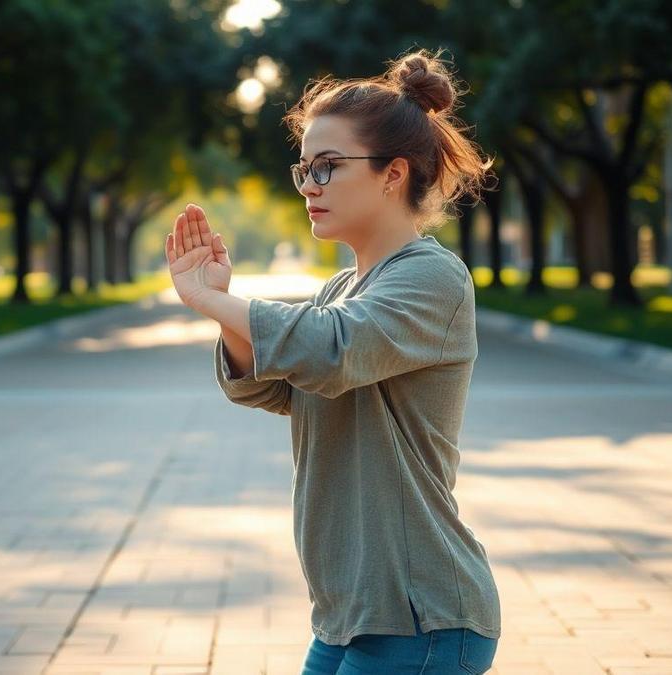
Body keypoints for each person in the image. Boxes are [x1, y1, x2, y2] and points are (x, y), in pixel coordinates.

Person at [165, 46, 500, 674]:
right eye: (304, 170)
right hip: (350, 612)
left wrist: (218, 299)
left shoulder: (433, 277)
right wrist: (221, 312)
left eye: (328, 167)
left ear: (393, 174)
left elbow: (333, 350)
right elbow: (278, 387)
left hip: (420, 613)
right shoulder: (341, 290)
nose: (310, 186)